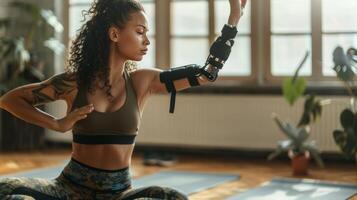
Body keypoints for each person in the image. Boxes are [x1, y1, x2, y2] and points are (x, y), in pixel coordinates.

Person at [0, 0, 244, 199]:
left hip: (119, 194)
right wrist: (56, 124)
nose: (147, 41)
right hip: (69, 188)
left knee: (175, 198)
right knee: (7, 192)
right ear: (114, 34)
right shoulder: (73, 83)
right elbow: (10, 100)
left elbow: (206, 74)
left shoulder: (143, 82)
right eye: (140, 32)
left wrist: (233, 19)